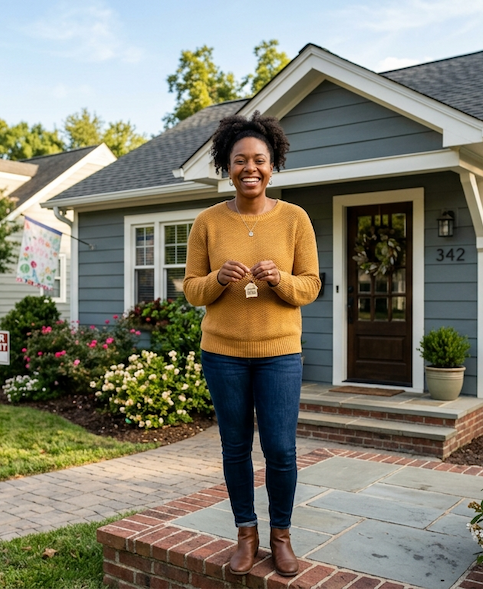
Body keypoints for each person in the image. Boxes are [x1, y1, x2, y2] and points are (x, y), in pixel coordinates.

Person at [183, 112, 321, 577]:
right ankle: (246, 532)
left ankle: (281, 535)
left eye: (259, 160)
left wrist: (280, 279)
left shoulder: (295, 219)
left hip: (280, 354)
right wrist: (217, 280)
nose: (250, 168)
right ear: (226, 165)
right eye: (239, 159)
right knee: (235, 447)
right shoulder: (207, 222)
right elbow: (190, 289)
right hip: (222, 355)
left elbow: (311, 286)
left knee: (281, 450)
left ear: (272, 164)